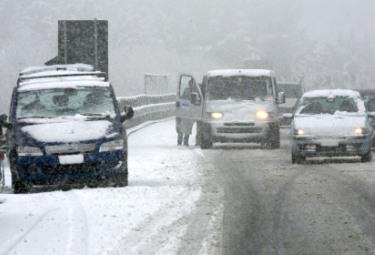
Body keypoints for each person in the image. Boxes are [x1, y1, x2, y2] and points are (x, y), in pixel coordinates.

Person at [176, 79, 196, 146]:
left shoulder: (193, 91)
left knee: (187, 127)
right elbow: (183, 99)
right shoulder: (189, 91)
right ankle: (181, 141)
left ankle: (184, 141)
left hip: (189, 112)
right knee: (184, 127)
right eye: (191, 84)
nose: (191, 85)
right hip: (186, 111)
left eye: (192, 84)